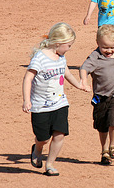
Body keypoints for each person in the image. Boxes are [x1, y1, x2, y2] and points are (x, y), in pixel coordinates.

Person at [22, 22, 86, 176]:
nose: (69, 49)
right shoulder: (40, 58)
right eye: (69, 45)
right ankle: (37, 149)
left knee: (59, 134)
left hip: (60, 103)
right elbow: (28, 79)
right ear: (58, 43)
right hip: (40, 106)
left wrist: (79, 85)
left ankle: (50, 164)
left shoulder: (61, 57)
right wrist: (26, 100)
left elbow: (67, 74)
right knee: (43, 138)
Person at [80, 24, 114, 165]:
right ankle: (104, 150)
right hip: (101, 97)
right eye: (105, 47)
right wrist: (83, 81)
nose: (109, 50)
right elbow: (84, 68)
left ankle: (113, 146)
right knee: (102, 125)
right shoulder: (95, 57)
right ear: (97, 43)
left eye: (112, 47)